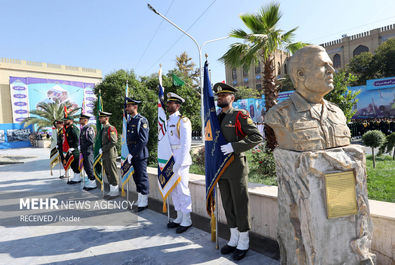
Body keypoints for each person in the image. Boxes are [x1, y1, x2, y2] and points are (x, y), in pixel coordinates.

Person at [265, 45, 351, 151]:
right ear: (301, 74)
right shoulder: (279, 114)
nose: (331, 70)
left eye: (331, 65)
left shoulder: (337, 112)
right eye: (324, 65)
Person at [214, 83, 263, 261]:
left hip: (236, 167)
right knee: (227, 204)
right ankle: (233, 238)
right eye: (218, 96)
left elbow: (257, 137)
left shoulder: (239, 115)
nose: (219, 99)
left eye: (223, 96)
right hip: (221, 169)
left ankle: (244, 240)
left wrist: (234, 146)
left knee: (240, 204)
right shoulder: (216, 117)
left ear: (232, 98)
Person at [166, 92, 193, 234]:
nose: (168, 105)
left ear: (177, 105)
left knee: (183, 189)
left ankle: (187, 218)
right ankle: (179, 215)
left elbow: (185, 144)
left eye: (171, 103)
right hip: (170, 158)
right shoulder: (167, 121)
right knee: (174, 189)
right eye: (168, 102)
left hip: (180, 159)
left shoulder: (183, 121)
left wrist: (180, 162)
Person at [125, 98, 150, 211]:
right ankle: (140, 197)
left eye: (128, 106)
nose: (127, 108)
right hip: (132, 154)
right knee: (136, 177)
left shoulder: (141, 120)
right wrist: (130, 154)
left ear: (135, 107)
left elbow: (143, 140)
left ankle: (144, 201)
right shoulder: (130, 120)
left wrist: (133, 153)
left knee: (142, 177)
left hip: (140, 154)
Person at [99, 111, 120, 199]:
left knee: (112, 172)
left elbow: (114, 142)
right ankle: (112, 190)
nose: (100, 119)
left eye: (101, 118)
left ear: (106, 118)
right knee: (108, 172)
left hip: (110, 154)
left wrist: (103, 149)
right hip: (105, 154)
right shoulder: (103, 129)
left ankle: (115, 191)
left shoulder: (110, 128)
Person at [79, 114, 97, 190]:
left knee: (89, 167)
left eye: (81, 119)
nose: (79, 120)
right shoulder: (83, 128)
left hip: (88, 151)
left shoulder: (89, 129)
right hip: (84, 151)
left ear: (85, 120)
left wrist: (82, 146)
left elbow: (91, 141)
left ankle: (93, 183)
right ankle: (90, 180)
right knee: (86, 167)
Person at [63, 116, 81, 184]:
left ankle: (77, 178)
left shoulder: (74, 128)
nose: (64, 121)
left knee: (75, 163)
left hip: (75, 149)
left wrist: (74, 147)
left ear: (71, 120)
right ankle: (76, 177)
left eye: (66, 120)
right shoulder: (68, 128)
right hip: (71, 149)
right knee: (72, 163)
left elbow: (77, 138)